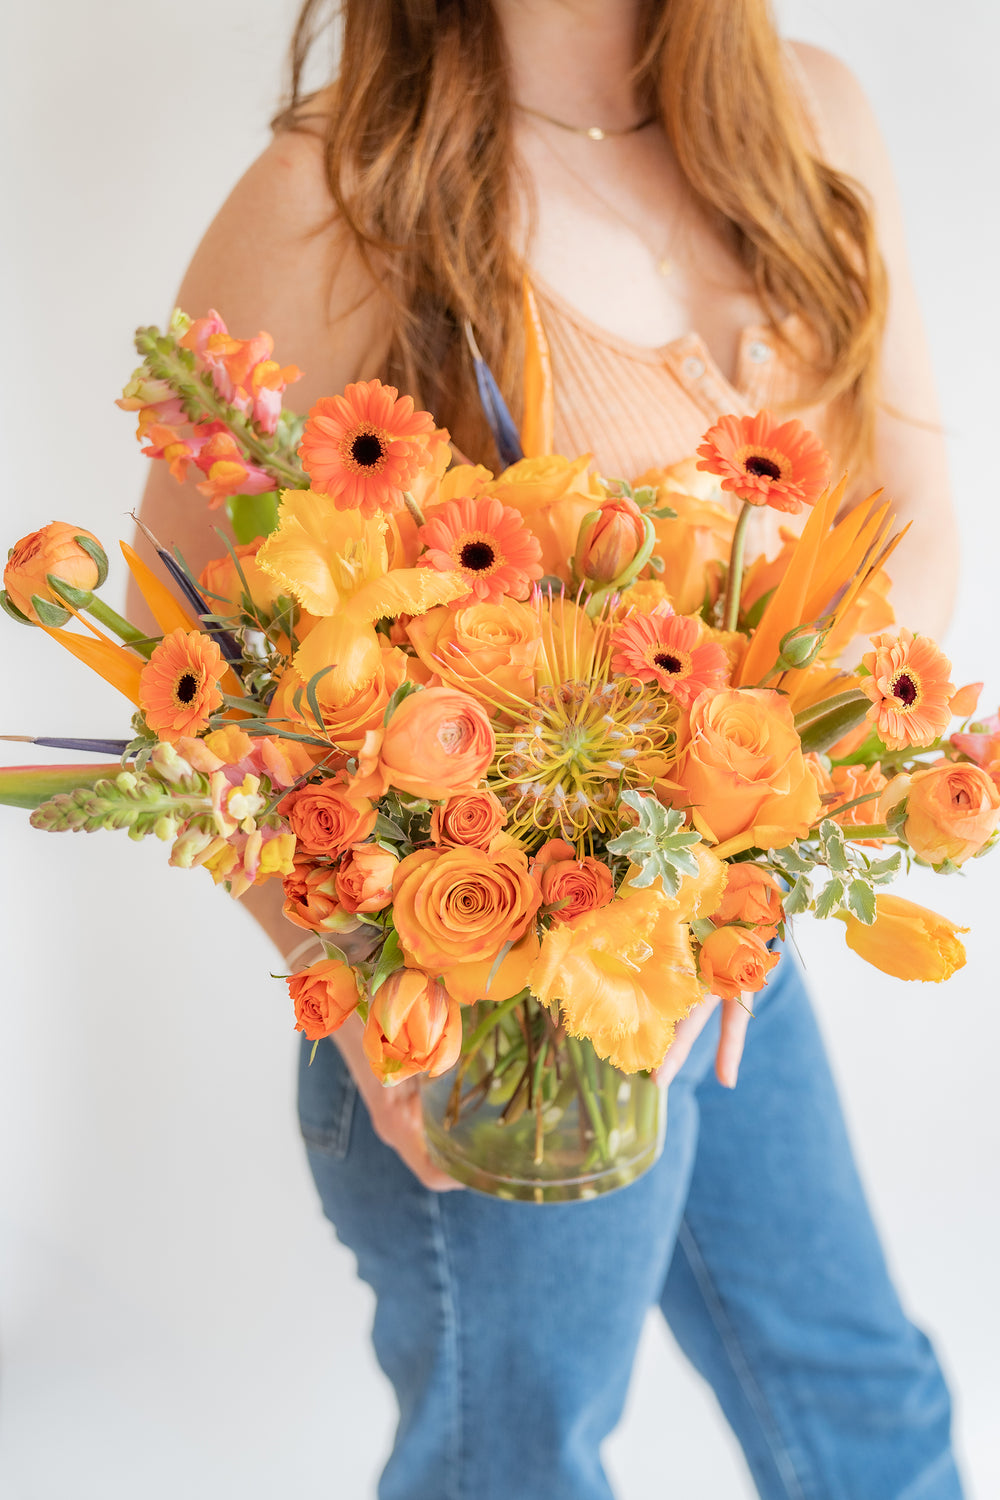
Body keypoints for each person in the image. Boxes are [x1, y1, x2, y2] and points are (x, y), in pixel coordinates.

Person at [133, 2, 964, 1495]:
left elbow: (916, 530)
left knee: (868, 1410)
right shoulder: (340, 189)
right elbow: (183, 664)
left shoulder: (810, 117)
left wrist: (767, 831)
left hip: (711, 958)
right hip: (482, 1012)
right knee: (517, 1467)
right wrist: (371, 1004)